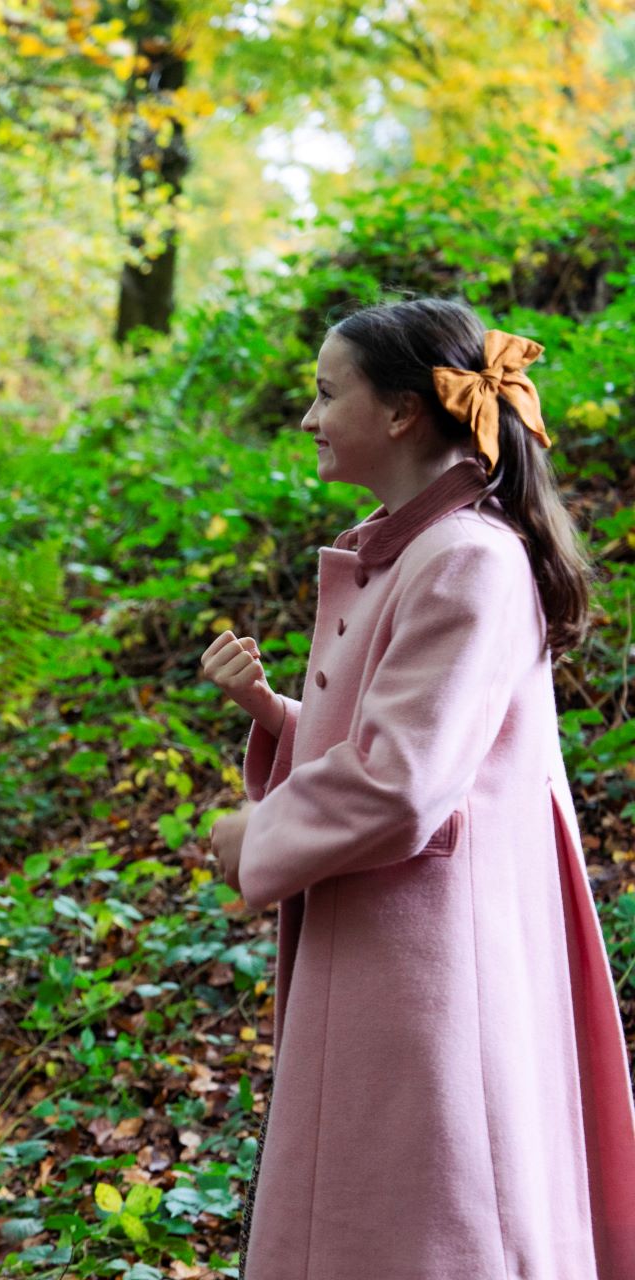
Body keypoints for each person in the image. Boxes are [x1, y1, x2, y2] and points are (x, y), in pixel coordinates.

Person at [202, 297, 635, 1279]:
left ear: (401, 411)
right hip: (401, 938)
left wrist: (259, 834)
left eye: (327, 394)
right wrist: (273, 713)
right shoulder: (423, 549)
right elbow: (413, 745)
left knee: (437, 1226)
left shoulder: (465, 559)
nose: (309, 417)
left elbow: (403, 783)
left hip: (432, 961)